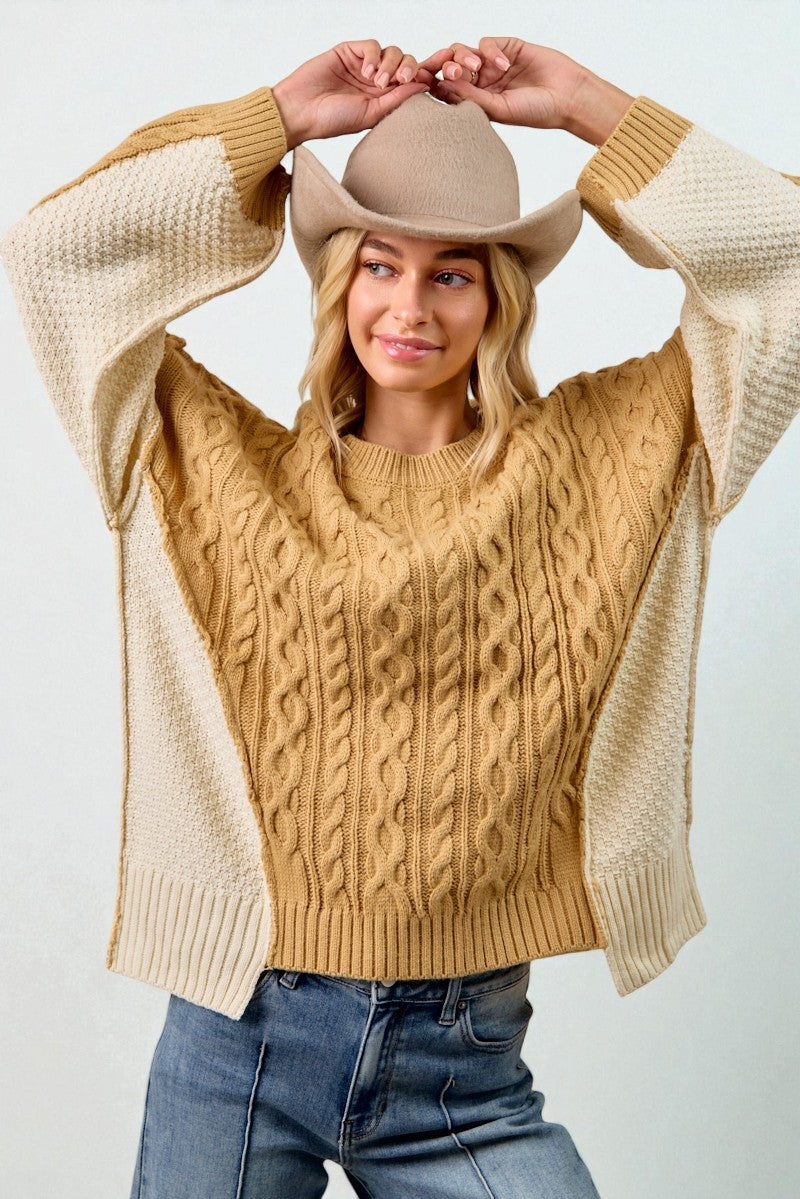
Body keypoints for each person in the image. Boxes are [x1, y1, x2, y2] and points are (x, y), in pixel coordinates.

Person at [1, 33, 798, 1199]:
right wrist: (279, 116)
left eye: (452, 272)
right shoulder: (203, 460)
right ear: (336, 279)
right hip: (237, 1035)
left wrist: (584, 108)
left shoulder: (610, 458)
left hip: (462, 1069)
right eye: (377, 263)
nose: (408, 305)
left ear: (497, 294)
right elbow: (55, 256)